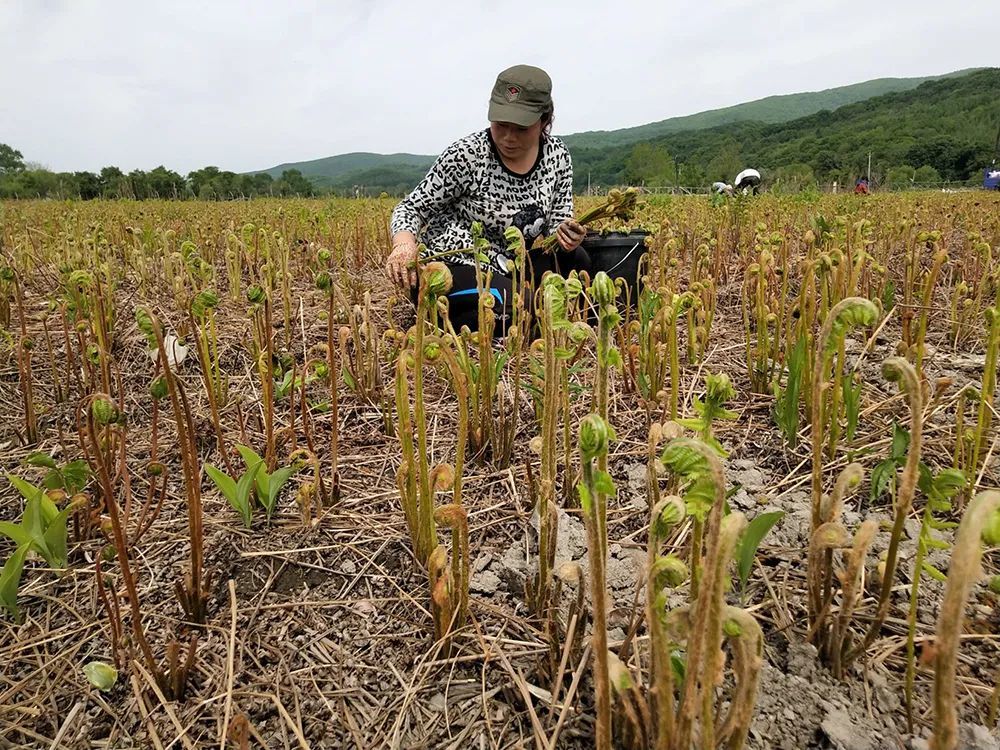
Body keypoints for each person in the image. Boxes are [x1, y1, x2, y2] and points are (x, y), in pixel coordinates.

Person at [386, 64, 588, 333]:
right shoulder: (467, 155)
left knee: (581, 260)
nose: (508, 137)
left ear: (544, 121)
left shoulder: (557, 156)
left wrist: (565, 234)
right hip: (455, 264)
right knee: (523, 311)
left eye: (521, 128)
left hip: (511, 265)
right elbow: (411, 208)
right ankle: (449, 310)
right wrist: (403, 246)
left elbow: (558, 220)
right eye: (501, 125)